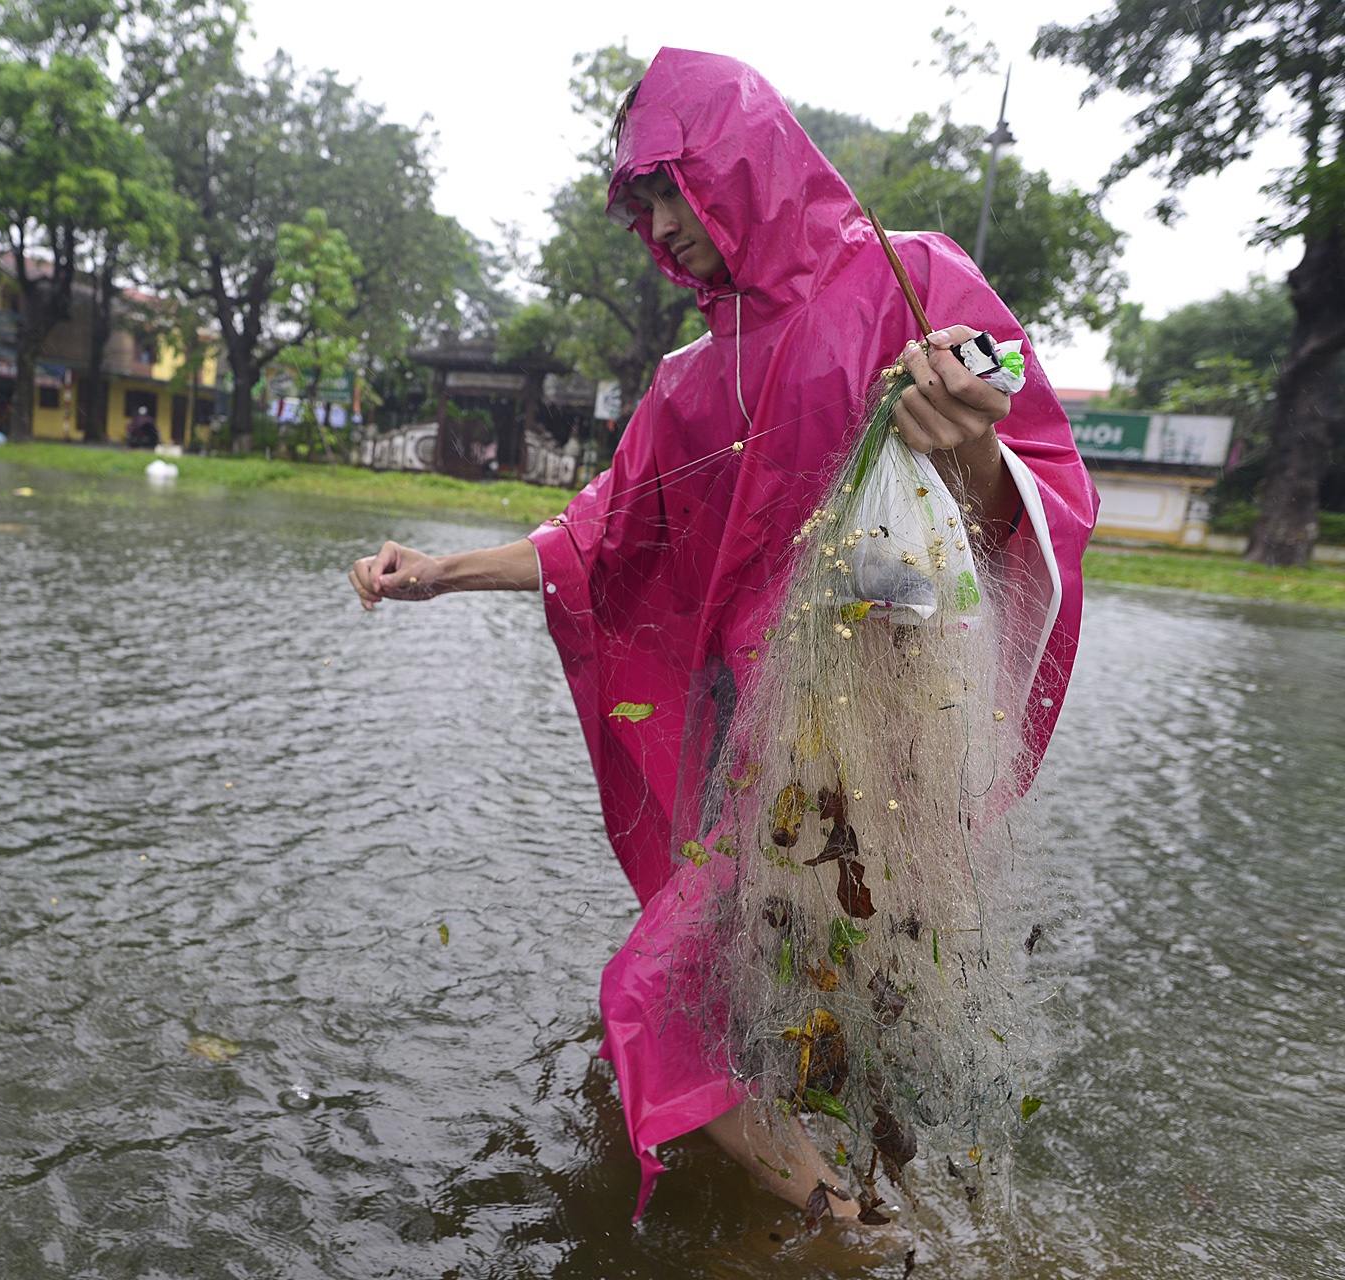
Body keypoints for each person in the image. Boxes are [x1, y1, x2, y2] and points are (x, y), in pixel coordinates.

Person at [349, 49, 1095, 1224]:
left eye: (667, 188)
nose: (656, 225)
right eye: (638, 203)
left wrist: (967, 444)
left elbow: (1031, 499)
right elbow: (597, 536)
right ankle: (852, 1221)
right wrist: (436, 571)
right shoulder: (694, 378)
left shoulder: (907, 281)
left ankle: (847, 1225)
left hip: (895, 736)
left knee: (834, 995)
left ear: (734, 163)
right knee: (698, 996)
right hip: (757, 752)